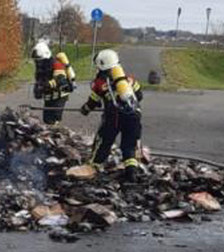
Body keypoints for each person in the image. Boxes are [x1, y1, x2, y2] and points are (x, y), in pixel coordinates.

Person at [80, 49, 143, 181]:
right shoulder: (128, 79)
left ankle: (94, 166)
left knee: (103, 141)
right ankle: (131, 172)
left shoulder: (100, 83)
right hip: (134, 116)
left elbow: (93, 101)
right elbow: (139, 96)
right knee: (129, 145)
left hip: (114, 117)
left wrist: (85, 109)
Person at [31, 39, 76, 125]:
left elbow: (60, 80)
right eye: (36, 60)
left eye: (39, 60)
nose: (37, 62)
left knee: (54, 119)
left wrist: (47, 85)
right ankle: (50, 133)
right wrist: (37, 90)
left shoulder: (56, 64)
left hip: (59, 96)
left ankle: (57, 134)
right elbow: (39, 82)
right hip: (49, 96)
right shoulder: (40, 69)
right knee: (47, 119)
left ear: (45, 56)